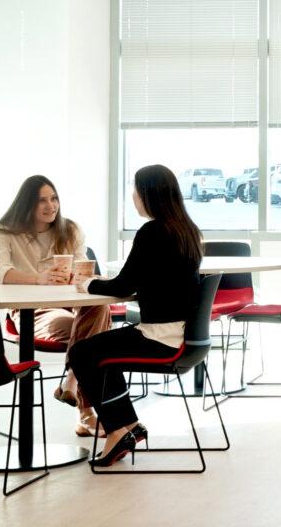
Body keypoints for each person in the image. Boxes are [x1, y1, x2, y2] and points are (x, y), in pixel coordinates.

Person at [69, 164, 203, 467]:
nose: (133, 196)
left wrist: (88, 283)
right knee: (103, 350)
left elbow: (125, 284)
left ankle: (117, 430)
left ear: (148, 194)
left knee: (82, 352)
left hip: (161, 337)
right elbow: (143, 279)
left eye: (135, 189)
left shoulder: (153, 231)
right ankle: (129, 425)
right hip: (183, 333)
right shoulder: (185, 230)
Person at [0, 175, 112, 436]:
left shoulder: (71, 230)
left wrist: (92, 280)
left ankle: (72, 380)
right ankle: (85, 412)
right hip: (32, 310)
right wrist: (38, 279)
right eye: (42, 200)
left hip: (72, 306)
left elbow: (80, 271)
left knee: (100, 309)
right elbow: (0, 273)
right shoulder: (3, 232)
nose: (50, 205)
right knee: (94, 335)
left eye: (54, 198)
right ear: (26, 204)